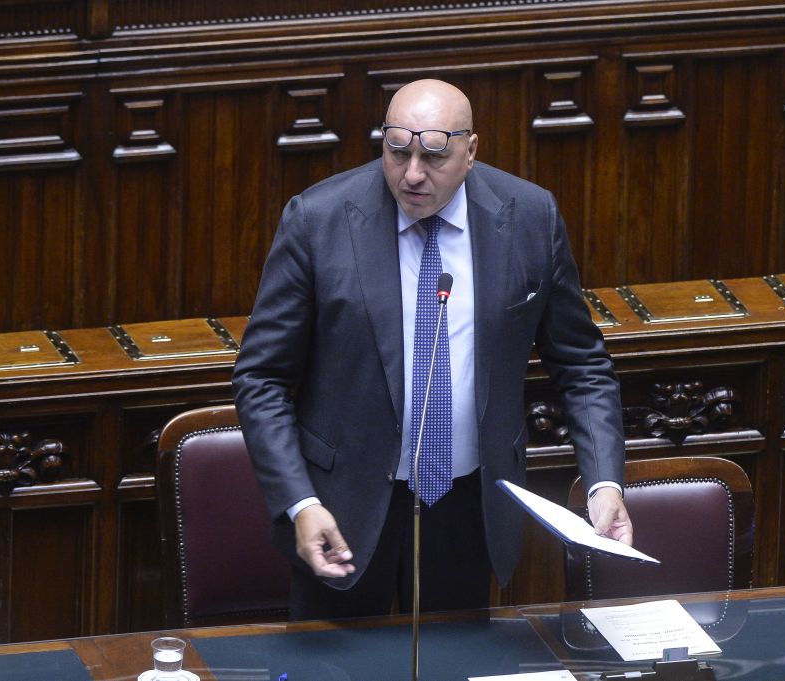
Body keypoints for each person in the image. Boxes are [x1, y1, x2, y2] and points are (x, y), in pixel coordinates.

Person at [232, 79, 631, 621]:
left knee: (457, 659)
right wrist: (301, 502)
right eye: (397, 151)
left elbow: (582, 365)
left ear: (470, 150)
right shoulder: (318, 220)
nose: (412, 174)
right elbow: (262, 379)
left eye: (434, 156)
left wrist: (604, 482)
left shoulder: (530, 217)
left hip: (466, 506)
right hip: (341, 508)